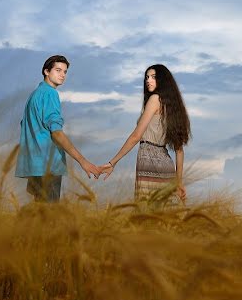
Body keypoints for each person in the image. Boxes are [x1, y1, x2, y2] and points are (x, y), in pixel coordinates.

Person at [15, 55, 101, 202]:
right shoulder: (50, 93)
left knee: (39, 216)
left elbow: (24, 124)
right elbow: (56, 132)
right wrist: (83, 161)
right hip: (48, 164)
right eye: (58, 70)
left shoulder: (34, 95)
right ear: (46, 71)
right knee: (50, 218)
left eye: (65, 72)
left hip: (35, 164)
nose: (62, 75)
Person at [101, 64, 191, 202]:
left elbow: (136, 136)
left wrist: (113, 162)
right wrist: (178, 181)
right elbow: (179, 150)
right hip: (166, 164)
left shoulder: (155, 99)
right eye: (147, 77)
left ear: (163, 80)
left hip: (149, 160)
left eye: (153, 77)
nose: (148, 80)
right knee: (165, 216)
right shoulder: (173, 107)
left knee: (146, 213)